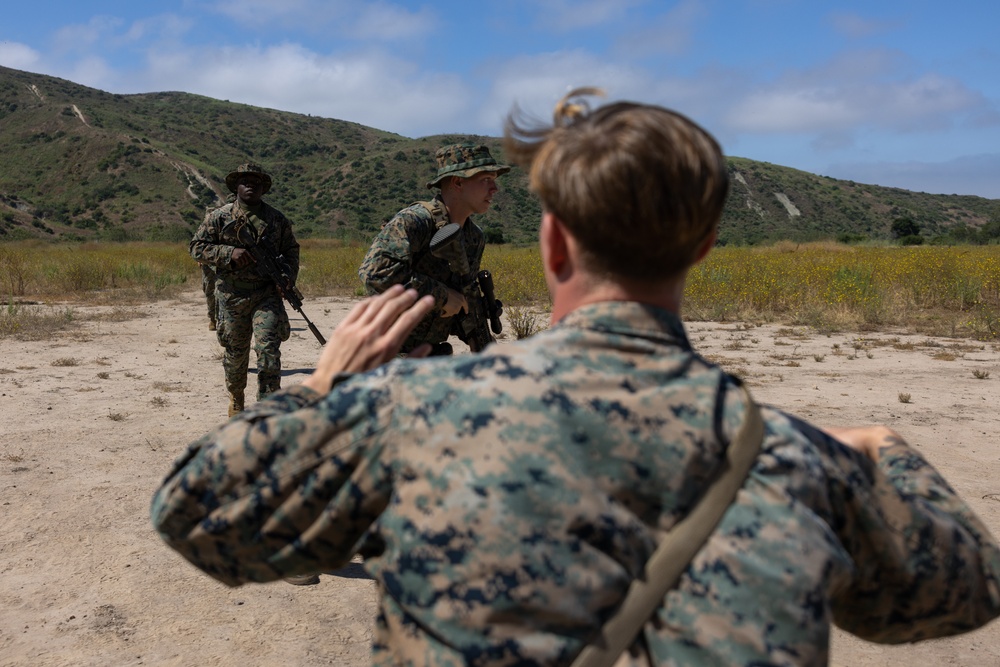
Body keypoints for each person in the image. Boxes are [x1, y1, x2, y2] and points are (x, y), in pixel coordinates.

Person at [152, 90, 1000, 664]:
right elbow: (965, 591)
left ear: (554, 246)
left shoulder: (401, 415)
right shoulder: (803, 461)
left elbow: (195, 510)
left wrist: (321, 388)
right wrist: (884, 447)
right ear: (703, 248)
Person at [358, 143, 509, 355]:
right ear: (457, 182)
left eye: (494, 180)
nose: (495, 189)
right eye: (486, 180)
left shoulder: (474, 237)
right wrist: (442, 296)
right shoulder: (415, 221)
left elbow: (460, 298)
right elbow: (375, 275)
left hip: (429, 354)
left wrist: (475, 331)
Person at [189, 162, 300, 419]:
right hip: (232, 295)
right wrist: (228, 253)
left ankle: (267, 407)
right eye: (245, 181)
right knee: (236, 353)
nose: (250, 184)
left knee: (269, 350)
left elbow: (292, 251)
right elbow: (196, 247)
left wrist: (287, 278)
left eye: (256, 181)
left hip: (266, 294)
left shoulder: (276, 220)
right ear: (236, 187)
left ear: (263, 188)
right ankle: (237, 397)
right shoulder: (219, 217)